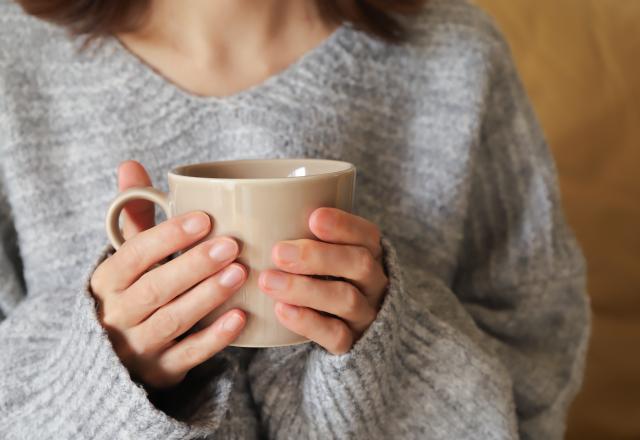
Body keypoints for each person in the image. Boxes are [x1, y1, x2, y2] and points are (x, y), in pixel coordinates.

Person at [0, 0, 591, 438]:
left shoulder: (458, 54)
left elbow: (538, 358)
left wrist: (395, 351)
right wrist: (103, 370)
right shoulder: (11, 59)